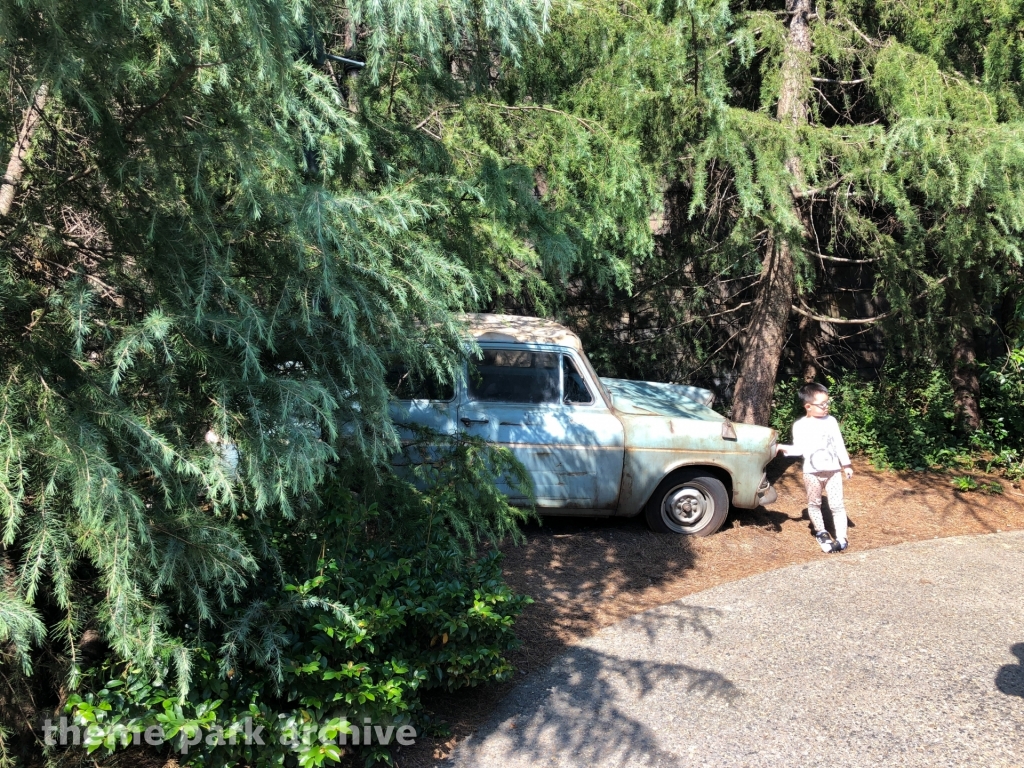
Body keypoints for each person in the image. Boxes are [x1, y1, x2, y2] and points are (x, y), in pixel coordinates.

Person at [776, 383, 854, 553]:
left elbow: (839, 444)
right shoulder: (800, 425)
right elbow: (799, 449)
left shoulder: (831, 421)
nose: (826, 407)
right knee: (814, 503)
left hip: (833, 471)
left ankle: (841, 537)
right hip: (811, 473)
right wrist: (783, 447)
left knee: (837, 505)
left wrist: (846, 465)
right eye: (822, 404)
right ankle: (821, 531)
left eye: (827, 403)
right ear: (808, 406)